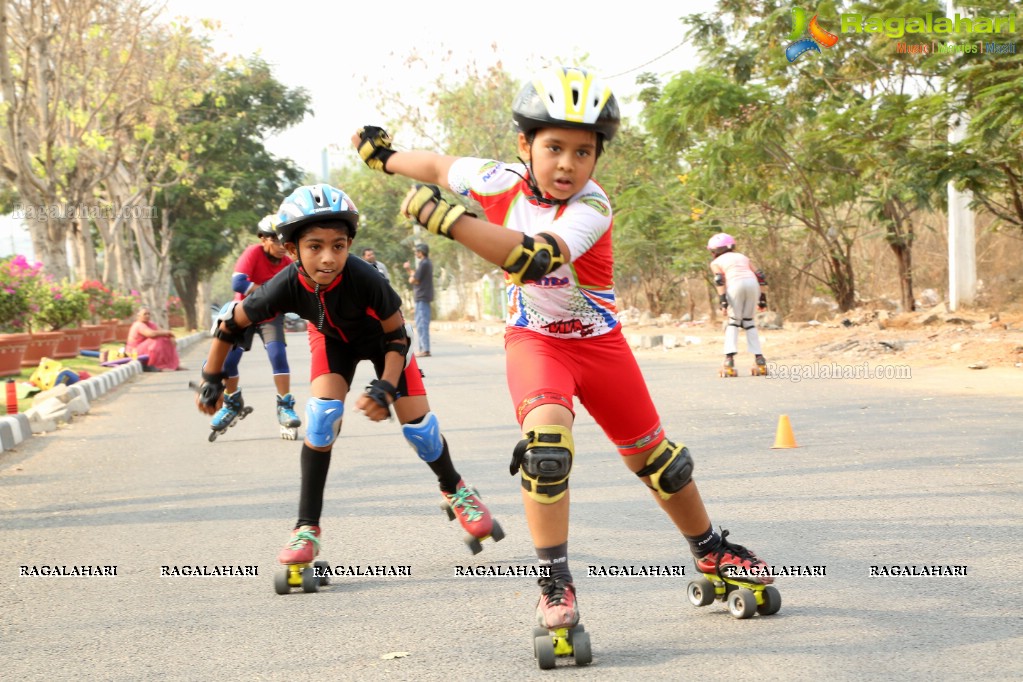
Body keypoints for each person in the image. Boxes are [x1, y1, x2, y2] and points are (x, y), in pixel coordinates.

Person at [353, 66, 774, 634]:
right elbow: (434, 165)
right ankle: (554, 582)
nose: (567, 165)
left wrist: (450, 221)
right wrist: (386, 157)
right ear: (524, 145)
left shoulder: (593, 208)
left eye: (583, 152)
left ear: (598, 158)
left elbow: (534, 257)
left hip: (601, 347)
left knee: (663, 465)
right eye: (553, 148)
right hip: (536, 343)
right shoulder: (495, 178)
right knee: (546, 449)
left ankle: (710, 549)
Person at [194, 183, 502, 572]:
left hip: (384, 344)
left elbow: (398, 337)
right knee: (320, 421)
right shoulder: (283, 284)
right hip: (332, 341)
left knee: (421, 431)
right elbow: (228, 324)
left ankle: (456, 488)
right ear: (292, 250)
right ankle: (306, 528)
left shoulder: (366, 279)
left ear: (349, 245)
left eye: (338, 246)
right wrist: (212, 377)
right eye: (315, 246)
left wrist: (387, 387)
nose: (328, 258)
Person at [209, 215, 302, 439]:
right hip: (243, 314)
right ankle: (231, 402)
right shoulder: (253, 253)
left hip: (270, 316)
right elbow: (238, 283)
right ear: (263, 239)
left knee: (277, 354)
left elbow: (298, 285)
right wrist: (270, 293)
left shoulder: (287, 262)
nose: (282, 247)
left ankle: (285, 405)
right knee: (230, 361)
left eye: (284, 241)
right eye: (276, 241)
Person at [707, 233, 769, 377]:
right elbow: (760, 275)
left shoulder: (716, 262)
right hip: (752, 284)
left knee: (734, 322)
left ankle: (729, 360)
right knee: (749, 322)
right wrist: (762, 299)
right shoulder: (743, 257)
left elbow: (719, 279)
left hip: (735, 285)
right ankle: (759, 359)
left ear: (715, 251)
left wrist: (723, 301)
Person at [402, 243, 433, 357]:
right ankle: (424, 348)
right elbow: (415, 276)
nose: (416, 254)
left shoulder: (424, 263)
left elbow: (414, 280)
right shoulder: (425, 263)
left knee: (422, 324)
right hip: (423, 297)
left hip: (422, 297)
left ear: (421, 252)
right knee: (421, 323)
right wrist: (408, 269)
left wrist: (411, 278)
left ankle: (425, 349)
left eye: (417, 252)